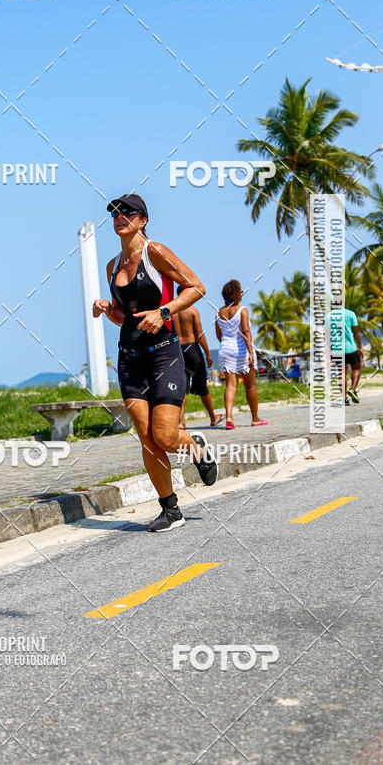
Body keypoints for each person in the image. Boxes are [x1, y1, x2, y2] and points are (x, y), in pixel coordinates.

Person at [92, 193, 218, 533]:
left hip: (164, 352)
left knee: (164, 435)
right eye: (115, 214)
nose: (120, 218)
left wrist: (165, 311)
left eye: (127, 213)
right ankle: (170, 508)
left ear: (142, 219)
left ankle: (197, 449)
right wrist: (108, 310)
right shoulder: (112, 266)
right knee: (146, 437)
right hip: (130, 359)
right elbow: (125, 318)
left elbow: (196, 287)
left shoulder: (156, 252)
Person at [214, 279, 268, 429]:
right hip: (242, 350)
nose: (242, 294)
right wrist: (251, 352)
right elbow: (246, 332)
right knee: (250, 386)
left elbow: (219, 335)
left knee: (230, 386)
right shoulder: (242, 310)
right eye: (240, 291)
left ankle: (229, 418)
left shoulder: (219, 312)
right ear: (236, 294)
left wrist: (226, 345)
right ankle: (255, 418)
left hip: (225, 349)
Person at [172, 286, 223, 429]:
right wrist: (207, 353)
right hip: (192, 349)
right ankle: (213, 417)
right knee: (201, 385)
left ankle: (180, 422)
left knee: (182, 387)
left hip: (178, 349)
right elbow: (199, 334)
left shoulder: (171, 311)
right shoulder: (192, 310)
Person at [343, 307, 364, 403]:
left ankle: (344, 399)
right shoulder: (350, 313)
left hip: (336, 349)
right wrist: (360, 347)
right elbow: (356, 332)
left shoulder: (329, 316)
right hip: (350, 347)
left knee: (342, 373)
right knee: (356, 368)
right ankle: (353, 388)